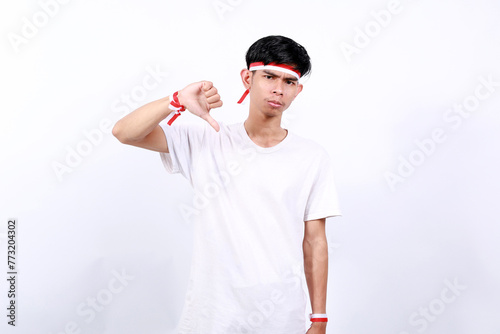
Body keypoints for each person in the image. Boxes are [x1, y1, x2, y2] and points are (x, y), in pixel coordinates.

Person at [112, 35, 342, 334]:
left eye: (288, 82)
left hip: (282, 316)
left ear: (298, 90)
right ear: (248, 78)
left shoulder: (311, 157)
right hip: (212, 317)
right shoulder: (208, 140)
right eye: (269, 76)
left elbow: (315, 242)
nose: (277, 88)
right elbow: (124, 133)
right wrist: (176, 100)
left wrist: (319, 318)